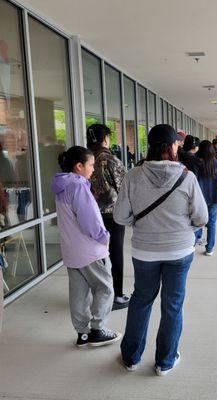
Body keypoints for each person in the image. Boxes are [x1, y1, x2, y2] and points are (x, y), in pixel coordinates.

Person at [113, 124, 208, 376]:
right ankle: (165, 361)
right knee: (172, 305)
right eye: (176, 143)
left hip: (144, 252)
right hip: (179, 251)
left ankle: (131, 357)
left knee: (141, 301)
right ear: (170, 146)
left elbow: (120, 216)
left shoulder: (133, 176)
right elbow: (201, 217)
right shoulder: (187, 177)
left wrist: (138, 221)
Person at [51, 146, 121, 348]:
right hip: (90, 250)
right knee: (105, 288)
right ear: (79, 166)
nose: (93, 169)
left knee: (79, 293)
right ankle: (98, 330)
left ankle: (82, 334)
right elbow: (89, 221)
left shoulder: (61, 186)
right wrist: (104, 236)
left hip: (72, 251)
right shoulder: (79, 186)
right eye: (90, 165)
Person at [86, 124, 129, 311]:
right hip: (112, 214)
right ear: (105, 139)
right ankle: (116, 295)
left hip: (90, 214)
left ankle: (98, 293)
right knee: (115, 253)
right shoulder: (109, 159)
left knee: (95, 255)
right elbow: (125, 186)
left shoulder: (85, 158)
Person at [194, 140, 217, 256]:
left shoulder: (196, 163)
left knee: (197, 221)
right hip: (214, 196)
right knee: (212, 223)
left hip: (199, 196)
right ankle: (210, 249)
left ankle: (195, 242)